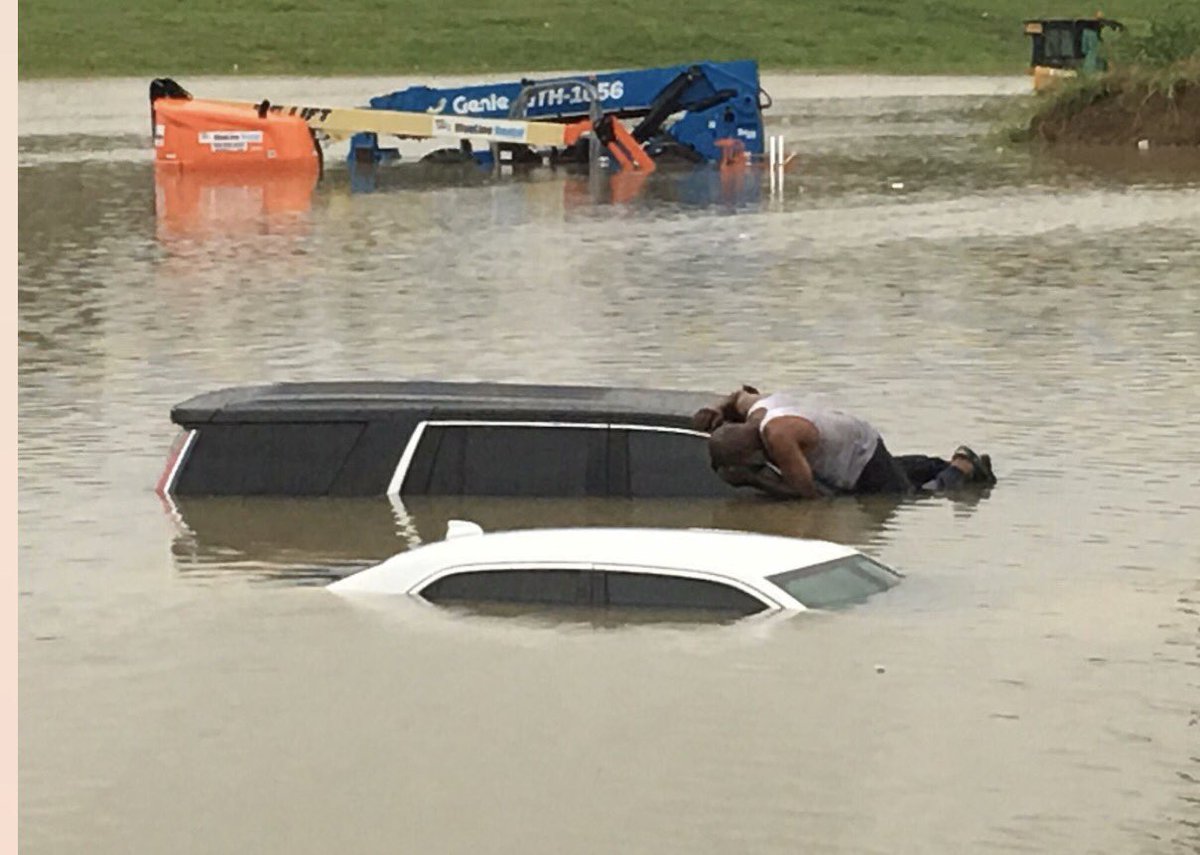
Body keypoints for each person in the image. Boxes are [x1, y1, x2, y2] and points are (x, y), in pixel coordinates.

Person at [693, 387, 995, 499]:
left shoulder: (779, 439)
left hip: (858, 456)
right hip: (852, 435)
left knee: (907, 496)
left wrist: (755, 481)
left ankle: (961, 467)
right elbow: (740, 393)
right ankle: (939, 464)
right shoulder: (758, 412)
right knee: (895, 469)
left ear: (754, 454)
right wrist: (718, 409)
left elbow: (809, 495)